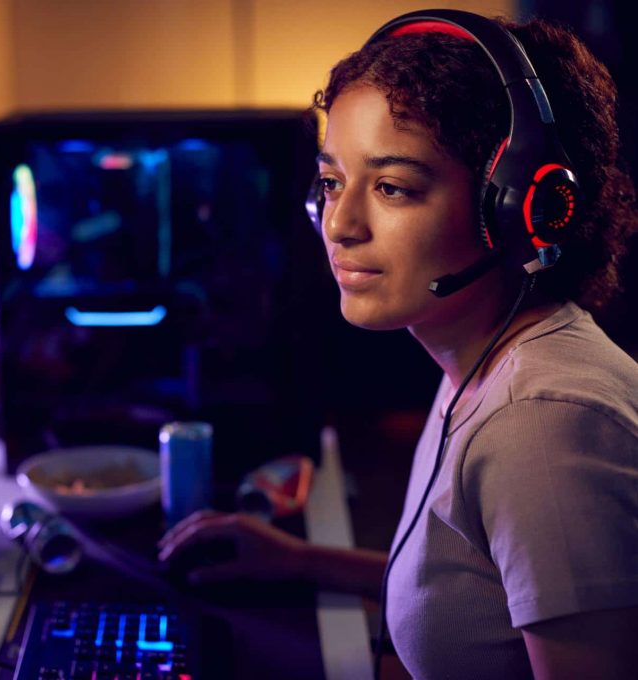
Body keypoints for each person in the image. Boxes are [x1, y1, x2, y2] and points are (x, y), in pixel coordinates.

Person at [158, 9, 638, 680]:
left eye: (393, 187)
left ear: (518, 210)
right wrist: (300, 561)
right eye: (331, 183)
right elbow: (487, 595)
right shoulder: (486, 360)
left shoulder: (545, 425)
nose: (341, 224)